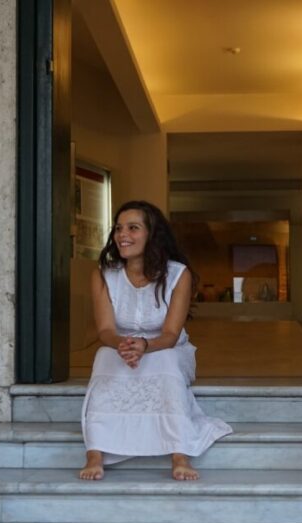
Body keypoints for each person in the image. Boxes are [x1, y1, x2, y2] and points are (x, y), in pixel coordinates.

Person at [79, 200, 232, 482]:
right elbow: (105, 330)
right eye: (118, 228)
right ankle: (96, 452)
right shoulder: (104, 273)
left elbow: (171, 334)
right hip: (120, 345)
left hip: (165, 347)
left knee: (166, 360)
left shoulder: (177, 274)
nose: (122, 235)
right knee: (104, 356)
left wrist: (146, 346)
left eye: (133, 228)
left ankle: (179, 453)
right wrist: (123, 345)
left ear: (152, 234)